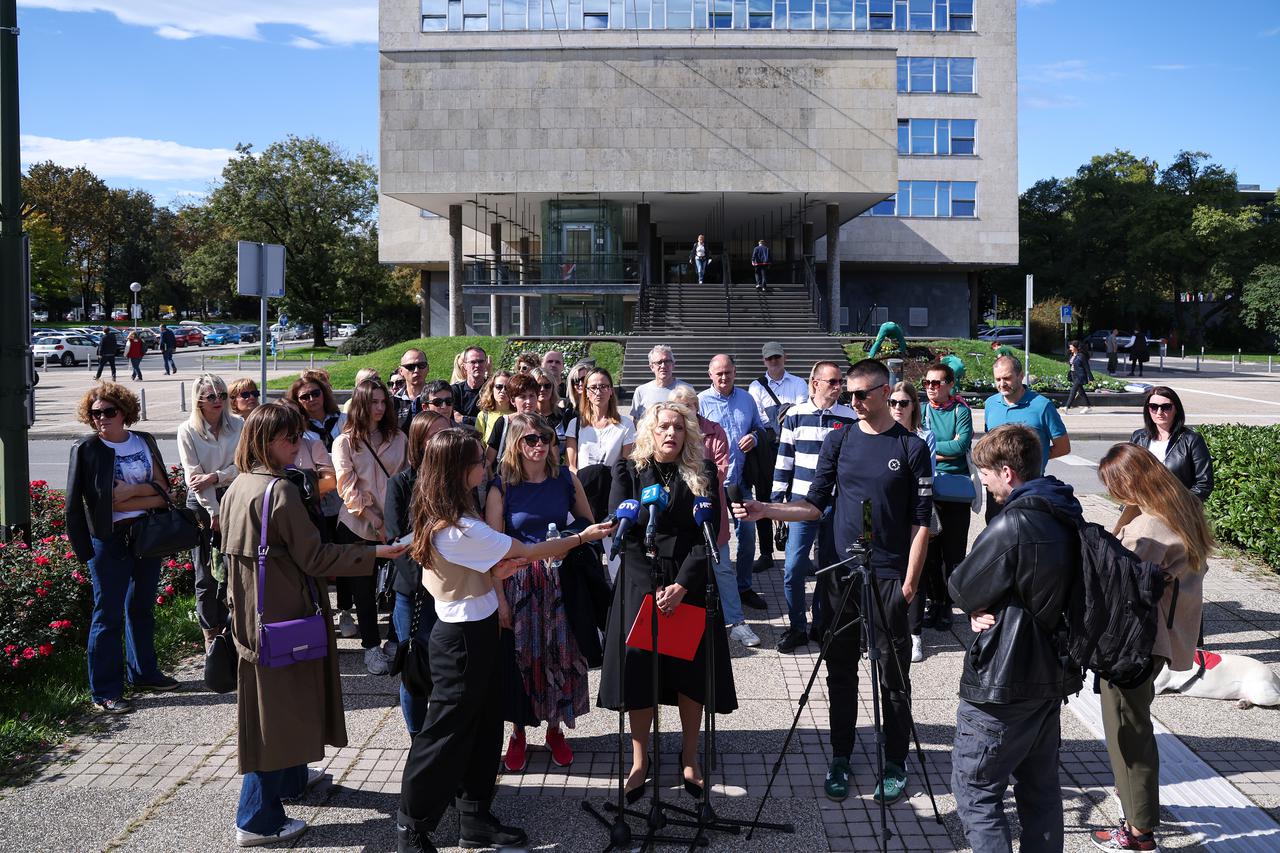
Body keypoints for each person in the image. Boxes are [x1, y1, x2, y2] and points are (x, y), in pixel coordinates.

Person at [395, 430, 613, 853]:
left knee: (485, 724)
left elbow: (489, 565)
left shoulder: (455, 512)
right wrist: (583, 537)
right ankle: (412, 828)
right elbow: (529, 551)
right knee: (445, 735)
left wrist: (494, 573)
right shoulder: (458, 528)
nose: (486, 465)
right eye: (479, 460)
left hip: (482, 631)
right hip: (459, 641)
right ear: (460, 471)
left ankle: (474, 816)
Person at [735, 358, 932, 805]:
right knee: (839, 670)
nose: (855, 402)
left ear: (886, 392)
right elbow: (813, 504)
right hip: (840, 573)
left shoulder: (911, 447)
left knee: (892, 674)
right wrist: (768, 510)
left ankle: (895, 762)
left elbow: (923, 523)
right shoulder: (839, 442)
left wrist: (909, 583)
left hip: (888, 575)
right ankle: (841, 756)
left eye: (863, 394)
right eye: (850, 394)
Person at [220, 403, 408, 848]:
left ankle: (289, 781)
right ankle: (257, 818)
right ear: (267, 441)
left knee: (279, 705)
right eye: (290, 439)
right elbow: (316, 558)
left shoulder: (238, 486)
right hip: (287, 615)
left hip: (255, 615)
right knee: (274, 714)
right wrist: (376, 555)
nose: (298, 445)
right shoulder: (279, 492)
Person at [947, 423, 1084, 853]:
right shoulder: (1065, 509)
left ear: (1007, 472)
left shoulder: (1015, 523)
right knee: (1041, 791)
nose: (982, 480)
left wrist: (976, 605)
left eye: (985, 471)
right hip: (1049, 678)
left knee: (976, 790)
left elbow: (962, 586)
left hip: (1004, 683)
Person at [600, 402, 737, 803]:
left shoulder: (704, 472)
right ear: (649, 431)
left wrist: (680, 586)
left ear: (688, 432)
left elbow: (706, 535)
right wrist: (650, 590)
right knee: (641, 672)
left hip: (687, 584)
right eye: (663, 427)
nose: (670, 434)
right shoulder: (628, 470)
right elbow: (623, 531)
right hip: (640, 582)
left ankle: (690, 757)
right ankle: (639, 760)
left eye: (678, 427)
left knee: (689, 674)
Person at [1090, 443, 1212, 853]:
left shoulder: (1149, 530)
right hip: (1156, 639)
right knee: (1133, 727)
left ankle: (1139, 833)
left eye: (1113, 486)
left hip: (1135, 642)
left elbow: (1119, 585)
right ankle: (1136, 821)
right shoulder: (1177, 511)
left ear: (1130, 482)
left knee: (1128, 735)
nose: (1111, 494)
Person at [487, 413, 597, 771]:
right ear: (515, 443)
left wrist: (566, 540)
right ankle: (518, 732)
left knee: (561, 655)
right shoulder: (501, 484)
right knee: (523, 657)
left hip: (560, 579)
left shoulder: (565, 478)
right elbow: (491, 546)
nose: (540, 445)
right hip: (519, 583)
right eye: (531, 439)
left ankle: (555, 729)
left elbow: (587, 521)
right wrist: (499, 598)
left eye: (545, 438)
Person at [65, 382, 181, 715]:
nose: (102, 418)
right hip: (108, 540)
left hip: (146, 535)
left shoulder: (143, 441)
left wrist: (128, 494)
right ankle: (105, 691)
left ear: (124, 412)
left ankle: (144, 673)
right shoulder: (87, 450)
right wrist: (84, 551)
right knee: (108, 615)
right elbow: (77, 504)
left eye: (109, 411)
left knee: (141, 608)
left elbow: (164, 494)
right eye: (95, 413)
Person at [769, 360, 856, 653]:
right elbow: (784, 460)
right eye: (832, 382)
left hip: (835, 505)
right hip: (801, 505)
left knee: (828, 569)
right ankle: (796, 627)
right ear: (815, 383)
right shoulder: (794, 415)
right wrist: (776, 503)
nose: (838, 387)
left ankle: (820, 623)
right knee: (793, 568)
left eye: (840, 382)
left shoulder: (849, 417)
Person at [668, 386, 756, 646]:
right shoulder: (671, 433)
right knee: (682, 569)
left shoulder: (713, 430)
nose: (686, 412)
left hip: (710, 509)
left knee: (722, 569)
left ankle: (737, 623)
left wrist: (688, 483)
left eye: (689, 406)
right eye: (680, 408)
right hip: (679, 516)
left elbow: (719, 469)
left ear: (697, 406)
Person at [383, 409, 453, 735]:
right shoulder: (399, 484)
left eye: (446, 432)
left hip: (453, 591)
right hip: (413, 593)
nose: (442, 440)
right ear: (418, 441)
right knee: (414, 672)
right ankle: (418, 740)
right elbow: (396, 543)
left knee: (446, 671)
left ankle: (441, 738)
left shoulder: (456, 481)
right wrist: (428, 578)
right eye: (434, 434)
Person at [333, 378, 409, 674]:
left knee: (400, 585)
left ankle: (393, 640)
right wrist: (375, 519)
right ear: (360, 404)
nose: (379, 408)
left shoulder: (398, 438)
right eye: (373, 402)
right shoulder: (345, 441)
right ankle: (370, 647)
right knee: (363, 592)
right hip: (357, 525)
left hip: (394, 523)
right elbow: (346, 487)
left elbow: (404, 478)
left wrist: (392, 519)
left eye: (383, 402)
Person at [178, 374, 244, 650]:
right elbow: (194, 479)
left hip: (235, 496)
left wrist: (216, 476)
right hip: (203, 504)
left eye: (222, 395)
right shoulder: (187, 430)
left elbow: (244, 464)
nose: (218, 401)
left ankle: (236, 627)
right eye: (211, 396)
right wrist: (214, 512)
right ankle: (211, 634)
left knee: (237, 566)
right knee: (206, 572)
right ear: (199, 401)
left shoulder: (238, 424)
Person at [699, 354, 769, 613]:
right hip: (712, 484)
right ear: (710, 375)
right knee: (714, 538)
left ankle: (743, 586)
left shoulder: (747, 399)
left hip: (739, 481)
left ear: (735, 372)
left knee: (748, 535)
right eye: (718, 373)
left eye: (728, 372)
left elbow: (760, 428)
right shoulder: (700, 402)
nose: (724, 377)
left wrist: (753, 437)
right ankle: (713, 586)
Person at [983, 354, 1070, 522]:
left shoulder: (1042, 406)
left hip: (1029, 487)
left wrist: (1028, 459)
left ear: (1021, 376)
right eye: (998, 379)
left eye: (1007, 378)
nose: (1002, 384)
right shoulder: (990, 404)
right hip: (998, 489)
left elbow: (1063, 447)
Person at [747, 341, 809, 574]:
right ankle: (765, 553)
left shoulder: (799, 382)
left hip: (795, 446)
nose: (774, 362)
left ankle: (798, 553)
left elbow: (801, 412)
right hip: (768, 448)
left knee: (797, 499)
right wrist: (787, 410)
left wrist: (783, 414)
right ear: (764, 361)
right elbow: (761, 418)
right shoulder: (756, 386)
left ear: (785, 357)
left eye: (777, 357)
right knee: (763, 499)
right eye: (769, 359)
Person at [920, 362, 973, 633]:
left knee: (952, 554)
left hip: (954, 493)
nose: (931, 388)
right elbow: (914, 440)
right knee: (929, 553)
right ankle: (935, 601)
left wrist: (929, 447)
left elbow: (960, 445)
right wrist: (939, 449)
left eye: (937, 383)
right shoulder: (922, 410)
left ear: (950, 384)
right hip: (927, 490)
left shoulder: (961, 411)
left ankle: (947, 607)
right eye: (927, 383)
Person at [887, 380, 937, 663]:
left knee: (916, 569)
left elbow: (926, 477)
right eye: (893, 402)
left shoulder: (923, 437)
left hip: (915, 510)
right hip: (885, 512)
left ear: (913, 406)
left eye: (903, 403)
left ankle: (914, 633)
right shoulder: (881, 433)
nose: (897, 408)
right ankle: (882, 627)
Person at [565, 367, 636, 524]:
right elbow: (571, 465)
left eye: (604, 386)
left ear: (611, 391)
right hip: (582, 491)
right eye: (593, 387)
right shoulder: (575, 424)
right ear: (586, 393)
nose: (599, 392)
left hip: (610, 493)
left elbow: (625, 464)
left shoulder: (626, 425)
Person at [1126, 387, 1213, 507]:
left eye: (1166, 407)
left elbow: (1204, 483)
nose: (1159, 412)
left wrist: (1179, 505)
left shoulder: (1191, 440)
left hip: (1177, 512)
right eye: (1154, 407)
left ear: (1176, 409)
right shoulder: (1138, 437)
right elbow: (1129, 475)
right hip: (1142, 509)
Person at [630, 344, 694, 423]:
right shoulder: (641, 391)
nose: (663, 366)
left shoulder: (687, 389)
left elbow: (693, 418)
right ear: (652, 367)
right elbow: (636, 421)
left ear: (673, 365)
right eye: (659, 362)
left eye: (667, 361)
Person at [393, 348, 431, 433]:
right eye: (410, 367)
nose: (416, 370)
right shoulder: (392, 401)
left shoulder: (438, 398)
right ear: (401, 371)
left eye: (421, 365)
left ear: (428, 368)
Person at [474, 370, 514, 444]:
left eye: (507, 387)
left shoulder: (517, 414)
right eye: (499, 387)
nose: (503, 391)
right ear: (492, 389)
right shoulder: (483, 416)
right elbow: (478, 444)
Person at [451, 345, 489, 421]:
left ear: (486, 363)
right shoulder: (455, 390)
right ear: (465, 366)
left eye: (481, 361)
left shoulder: (494, 388)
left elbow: (492, 419)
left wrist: (464, 419)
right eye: (473, 362)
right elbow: (455, 418)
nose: (477, 365)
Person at [1064, 340, 1093, 414]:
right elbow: (1072, 366)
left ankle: (1067, 407)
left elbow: (1087, 367)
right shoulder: (1072, 355)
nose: (1070, 348)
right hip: (1074, 375)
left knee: (1073, 390)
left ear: (1075, 347)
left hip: (1080, 376)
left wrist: (1090, 377)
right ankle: (1088, 406)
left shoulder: (1081, 356)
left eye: (1071, 347)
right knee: (1081, 392)